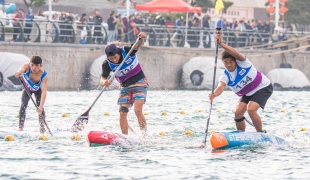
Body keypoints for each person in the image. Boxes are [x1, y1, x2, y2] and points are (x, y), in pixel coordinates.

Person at [208, 32, 273, 133]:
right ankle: (241, 135)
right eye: (226, 62)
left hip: (263, 87)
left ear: (235, 61)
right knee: (238, 113)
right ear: (223, 62)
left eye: (231, 62)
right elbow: (221, 87)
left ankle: (260, 133)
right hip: (248, 93)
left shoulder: (243, 63)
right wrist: (214, 94)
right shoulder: (225, 75)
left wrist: (221, 44)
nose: (229, 65)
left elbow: (236, 54)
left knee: (251, 109)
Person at [100, 32, 148, 137]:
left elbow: (137, 45)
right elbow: (102, 78)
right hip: (124, 86)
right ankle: (125, 138)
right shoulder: (107, 64)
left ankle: (145, 136)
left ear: (118, 52)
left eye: (115, 57)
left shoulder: (126, 51)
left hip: (139, 82)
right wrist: (105, 82)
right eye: (111, 59)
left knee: (137, 110)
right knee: (122, 113)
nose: (114, 60)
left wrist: (140, 38)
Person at [14, 56, 48, 133]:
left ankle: (42, 128)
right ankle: (21, 128)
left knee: (40, 108)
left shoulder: (44, 75)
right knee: (23, 105)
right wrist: (19, 72)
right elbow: (21, 69)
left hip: (38, 90)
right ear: (30, 64)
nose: (34, 68)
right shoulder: (26, 67)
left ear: (40, 66)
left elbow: (44, 92)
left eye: (36, 66)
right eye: (32, 65)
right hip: (27, 89)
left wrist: (41, 106)